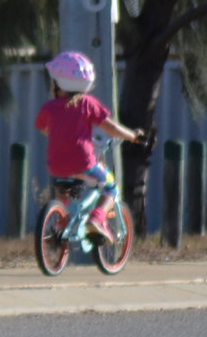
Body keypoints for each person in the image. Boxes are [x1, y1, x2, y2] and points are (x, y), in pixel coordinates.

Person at [36, 50, 149, 238]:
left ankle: (59, 224)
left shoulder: (48, 108)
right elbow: (110, 127)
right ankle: (97, 218)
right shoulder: (87, 103)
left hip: (56, 166)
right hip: (83, 163)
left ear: (58, 84)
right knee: (111, 186)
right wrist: (132, 136)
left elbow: (43, 128)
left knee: (65, 193)